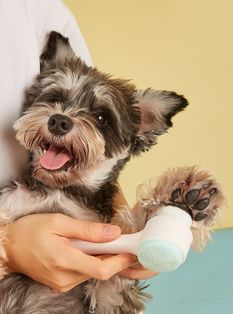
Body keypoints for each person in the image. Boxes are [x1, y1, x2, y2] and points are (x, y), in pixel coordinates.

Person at [0, 0, 157, 293]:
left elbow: (104, 172)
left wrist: (134, 236)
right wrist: (8, 252)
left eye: (97, 116)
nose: (63, 118)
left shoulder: (35, 9)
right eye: (55, 98)